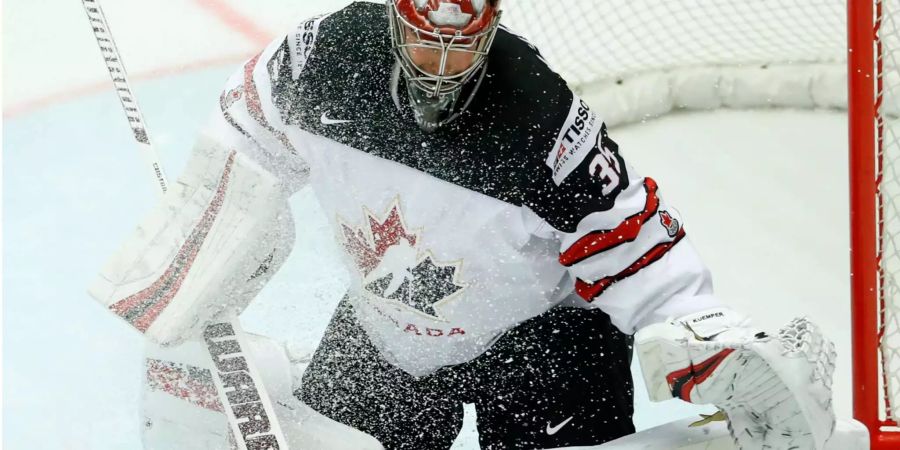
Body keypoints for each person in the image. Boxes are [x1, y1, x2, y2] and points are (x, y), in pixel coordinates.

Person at [90, 1, 837, 449]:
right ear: (395, 18)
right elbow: (248, 131)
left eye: (463, 43)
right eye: (425, 39)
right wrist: (207, 235)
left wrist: (702, 331)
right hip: (388, 330)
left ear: (491, 26)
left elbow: (633, 244)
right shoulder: (323, 57)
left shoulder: (539, 117)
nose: (442, 65)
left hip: (548, 344)